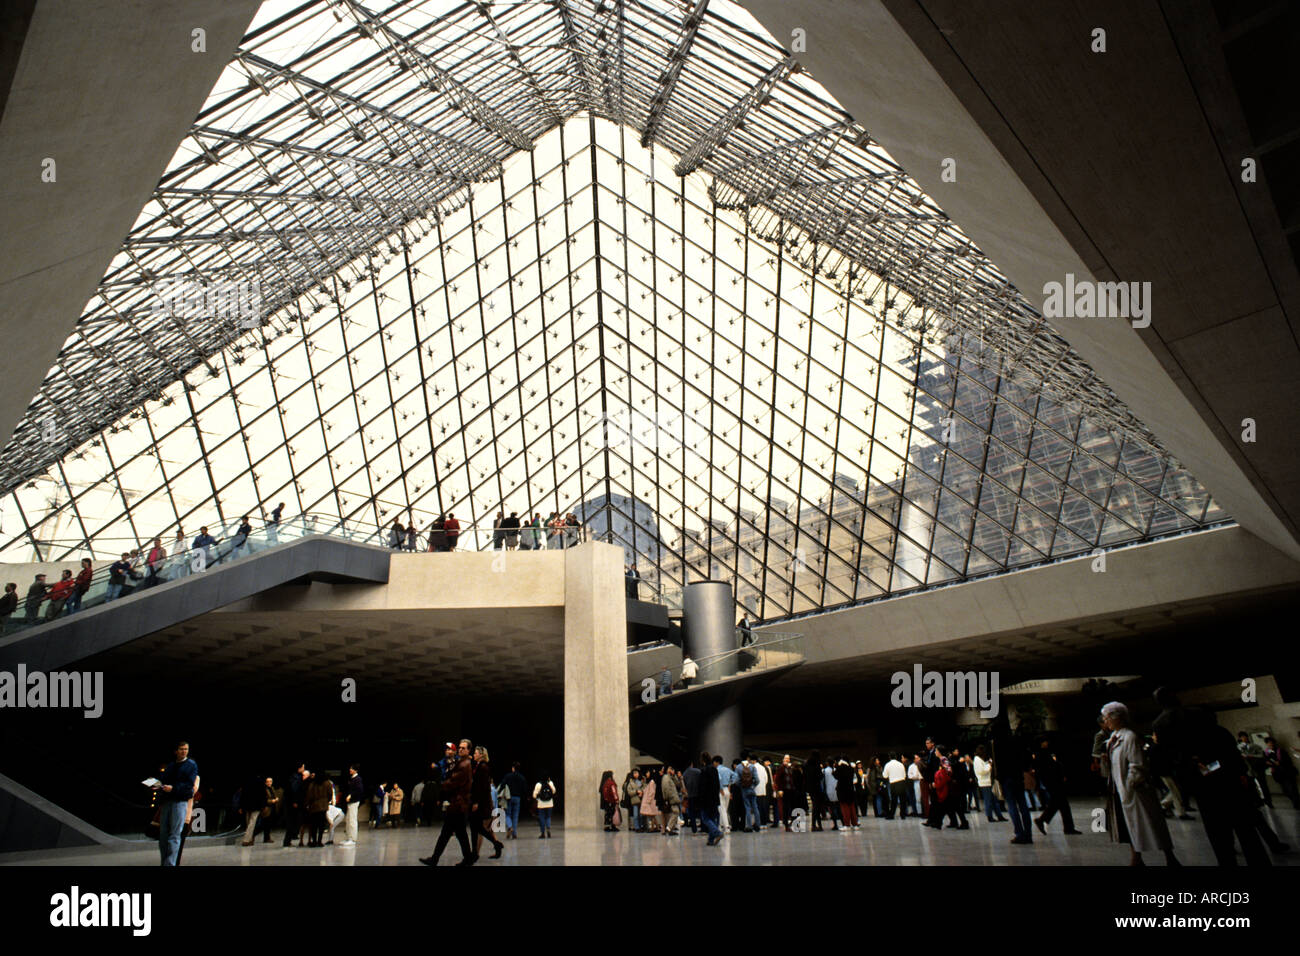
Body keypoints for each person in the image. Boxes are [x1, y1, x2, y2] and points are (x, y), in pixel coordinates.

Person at [1102, 701, 1180, 866]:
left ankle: (1168, 857)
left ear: (1117, 718)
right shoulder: (1113, 739)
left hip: (1135, 790)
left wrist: (1130, 784)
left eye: (1107, 717)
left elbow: (1137, 765)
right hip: (1121, 790)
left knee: (1151, 823)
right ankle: (1136, 858)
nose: (1105, 721)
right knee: (1131, 826)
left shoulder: (1129, 737)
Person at [422, 739, 475, 865]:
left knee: (449, 834)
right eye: (460, 747)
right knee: (455, 834)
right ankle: (466, 858)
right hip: (457, 803)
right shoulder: (462, 762)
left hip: (458, 803)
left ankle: (436, 859)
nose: (461, 749)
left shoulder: (464, 764)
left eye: (463, 748)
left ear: (468, 750)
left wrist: (443, 786)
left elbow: (453, 782)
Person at [990, 714, 1033, 845]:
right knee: (1023, 805)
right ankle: (1028, 834)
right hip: (1017, 776)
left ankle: (1019, 833)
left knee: (1012, 806)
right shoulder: (1015, 740)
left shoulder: (996, 744)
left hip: (1006, 778)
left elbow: (997, 763)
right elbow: (1023, 757)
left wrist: (998, 778)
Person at [157, 741, 198, 866]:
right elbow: (163, 781)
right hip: (167, 802)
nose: (184, 751)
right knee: (163, 835)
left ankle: (170, 864)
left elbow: (189, 788)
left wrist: (173, 789)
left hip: (179, 802)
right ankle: (164, 862)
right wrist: (158, 786)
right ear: (176, 751)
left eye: (186, 749)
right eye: (181, 749)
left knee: (174, 835)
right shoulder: (171, 766)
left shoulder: (191, 765)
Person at [1032, 737, 1080, 835]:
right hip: (1052, 781)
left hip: (1053, 781)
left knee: (1060, 803)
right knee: (1060, 803)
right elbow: (1050, 768)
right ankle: (1045, 820)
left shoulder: (1044, 753)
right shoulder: (1042, 754)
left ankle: (1066, 826)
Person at [1264, 735, 1300, 809]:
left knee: (1292, 788)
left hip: (1287, 772)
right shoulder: (1267, 753)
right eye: (1268, 743)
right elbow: (1266, 762)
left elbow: (1288, 760)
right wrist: (1268, 763)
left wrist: (1280, 762)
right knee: (1285, 790)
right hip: (1278, 774)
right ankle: (1295, 802)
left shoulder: (1280, 750)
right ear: (1267, 744)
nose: (1270, 744)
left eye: (1271, 743)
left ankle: (1296, 804)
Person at [973, 744, 1006, 822]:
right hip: (984, 783)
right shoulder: (977, 760)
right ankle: (990, 816)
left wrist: (988, 763)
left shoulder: (979, 759)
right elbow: (982, 771)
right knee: (988, 801)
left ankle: (999, 815)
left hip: (987, 782)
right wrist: (989, 765)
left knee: (994, 800)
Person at [282, 763, 308, 847]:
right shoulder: (296, 778)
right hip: (293, 804)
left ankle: (288, 840)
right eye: (303, 767)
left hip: (291, 803)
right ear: (299, 768)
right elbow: (294, 790)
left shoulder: (294, 777)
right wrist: (295, 802)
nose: (304, 769)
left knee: (292, 822)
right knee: (292, 822)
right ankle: (287, 841)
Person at [240, 772, 267, 846]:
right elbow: (263, 795)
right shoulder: (260, 782)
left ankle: (248, 839)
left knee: (249, 823)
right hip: (256, 806)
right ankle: (248, 839)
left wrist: (241, 806)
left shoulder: (246, 782)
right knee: (251, 823)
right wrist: (264, 806)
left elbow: (242, 795)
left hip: (248, 805)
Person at [342, 763, 363, 847]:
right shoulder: (352, 779)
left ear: (355, 770)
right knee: (348, 820)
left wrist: (351, 795)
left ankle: (353, 839)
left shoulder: (358, 779)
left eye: (352, 769)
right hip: (350, 802)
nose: (350, 770)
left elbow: (359, 790)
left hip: (354, 802)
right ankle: (348, 837)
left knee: (352, 820)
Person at [533, 772, 557, 838]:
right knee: (548, 817)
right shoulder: (550, 783)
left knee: (542, 818)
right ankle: (548, 828)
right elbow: (554, 791)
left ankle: (542, 832)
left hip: (541, 804)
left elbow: (534, 795)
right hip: (550, 804)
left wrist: (536, 797)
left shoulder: (538, 784)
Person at [660, 765, 682, 834]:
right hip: (671, 798)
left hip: (673, 797)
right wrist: (667, 798)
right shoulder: (666, 777)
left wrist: (674, 776)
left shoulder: (670, 777)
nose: (671, 770)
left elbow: (678, 785)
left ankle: (670, 829)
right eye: (669, 768)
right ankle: (669, 827)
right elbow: (666, 789)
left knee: (673, 813)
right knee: (676, 812)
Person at [716, 757, 736, 832]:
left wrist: (720, 788)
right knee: (725, 808)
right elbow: (735, 776)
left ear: (716, 762)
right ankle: (721, 825)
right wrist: (730, 783)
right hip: (727, 789)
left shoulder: (717, 770)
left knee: (722, 809)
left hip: (721, 790)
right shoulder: (727, 769)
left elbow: (719, 779)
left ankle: (726, 826)